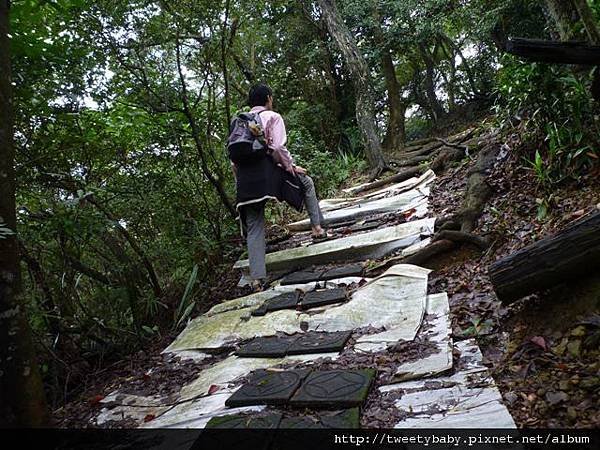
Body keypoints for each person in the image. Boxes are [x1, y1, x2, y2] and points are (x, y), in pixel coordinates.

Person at [232, 83, 327, 289]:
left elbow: (234, 161)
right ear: (268, 98)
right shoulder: (272, 117)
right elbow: (276, 147)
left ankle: (257, 278)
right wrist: (291, 167)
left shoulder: (239, 122)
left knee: (255, 224)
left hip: (246, 180)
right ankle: (317, 228)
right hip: (270, 174)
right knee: (307, 182)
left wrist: (241, 182)